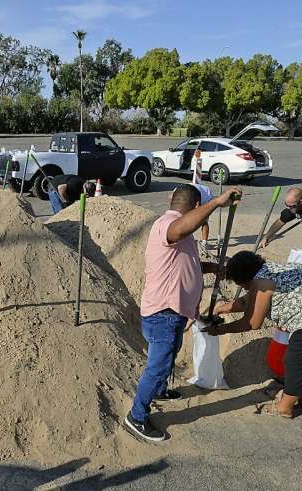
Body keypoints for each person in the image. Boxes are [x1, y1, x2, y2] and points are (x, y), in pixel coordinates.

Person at [125, 184, 242, 442]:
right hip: (163, 313)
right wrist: (216, 204)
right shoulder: (169, 224)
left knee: (170, 355)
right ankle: (136, 416)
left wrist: (210, 267)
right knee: (157, 367)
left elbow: (183, 261)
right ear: (196, 207)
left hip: (174, 312)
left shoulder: (181, 231)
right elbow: (178, 229)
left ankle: (159, 391)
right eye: (201, 208)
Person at [206, 251, 302, 418]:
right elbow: (246, 301)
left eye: (241, 285)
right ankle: (295, 393)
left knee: (295, 360)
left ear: (245, 279)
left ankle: (285, 408)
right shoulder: (271, 269)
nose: (243, 288)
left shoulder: (262, 283)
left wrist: (222, 329)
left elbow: (251, 323)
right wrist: (224, 308)